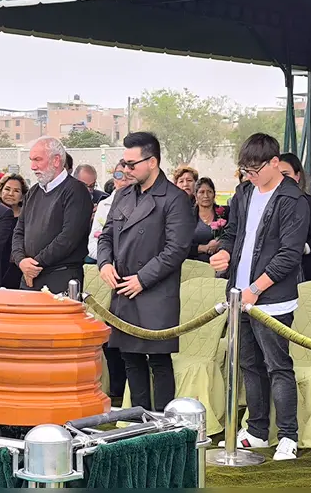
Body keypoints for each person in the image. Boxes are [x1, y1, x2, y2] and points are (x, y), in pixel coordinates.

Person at [210, 133, 309, 460]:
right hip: (239, 295)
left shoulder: (292, 199)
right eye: (245, 171)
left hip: (271, 299)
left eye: (255, 170)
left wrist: (256, 288)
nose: (249, 176)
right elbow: (232, 233)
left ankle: (288, 436)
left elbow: (288, 254)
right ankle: (256, 429)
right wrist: (223, 253)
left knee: (277, 365)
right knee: (249, 364)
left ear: (275, 163)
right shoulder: (244, 193)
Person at [98, 132, 193, 412]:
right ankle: (137, 423)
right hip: (123, 288)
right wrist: (104, 263)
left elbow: (176, 249)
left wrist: (142, 279)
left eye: (131, 164)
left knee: (158, 360)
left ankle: (164, 426)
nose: (126, 170)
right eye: (123, 164)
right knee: (130, 359)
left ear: (152, 162)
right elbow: (106, 235)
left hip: (155, 291)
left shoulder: (174, 198)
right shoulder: (123, 194)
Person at [12, 137, 93, 292]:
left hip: (61, 278)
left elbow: (68, 238)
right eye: (31, 160)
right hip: (29, 277)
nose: (33, 166)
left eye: (37, 160)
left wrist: (35, 264)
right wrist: (21, 261)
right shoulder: (33, 192)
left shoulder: (76, 191)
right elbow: (19, 231)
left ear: (56, 160)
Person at [85, 162, 131, 405]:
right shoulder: (105, 204)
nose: (123, 179)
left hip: (132, 276)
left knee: (129, 336)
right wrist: (109, 261)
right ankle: (115, 390)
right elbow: (94, 244)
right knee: (109, 335)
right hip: (107, 274)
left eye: (127, 173)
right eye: (119, 174)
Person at [277, 153, 311, 281]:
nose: (281, 180)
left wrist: (301, 248)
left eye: (285, 174)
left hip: (305, 272)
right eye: (277, 175)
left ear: (297, 176)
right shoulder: (267, 205)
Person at [0, 173, 27, 289]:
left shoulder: (27, 216)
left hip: (16, 267)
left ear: (22, 195)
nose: (10, 194)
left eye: (16, 191)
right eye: (7, 189)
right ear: (0, 190)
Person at [190, 177, 229, 263]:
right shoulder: (188, 216)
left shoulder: (225, 212)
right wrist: (204, 248)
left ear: (214, 194)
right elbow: (182, 245)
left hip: (220, 263)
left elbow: (232, 233)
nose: (206, 196)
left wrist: (220, 242)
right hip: (195, 264)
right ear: (196, 195)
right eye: (201, 192)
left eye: (209, 192)